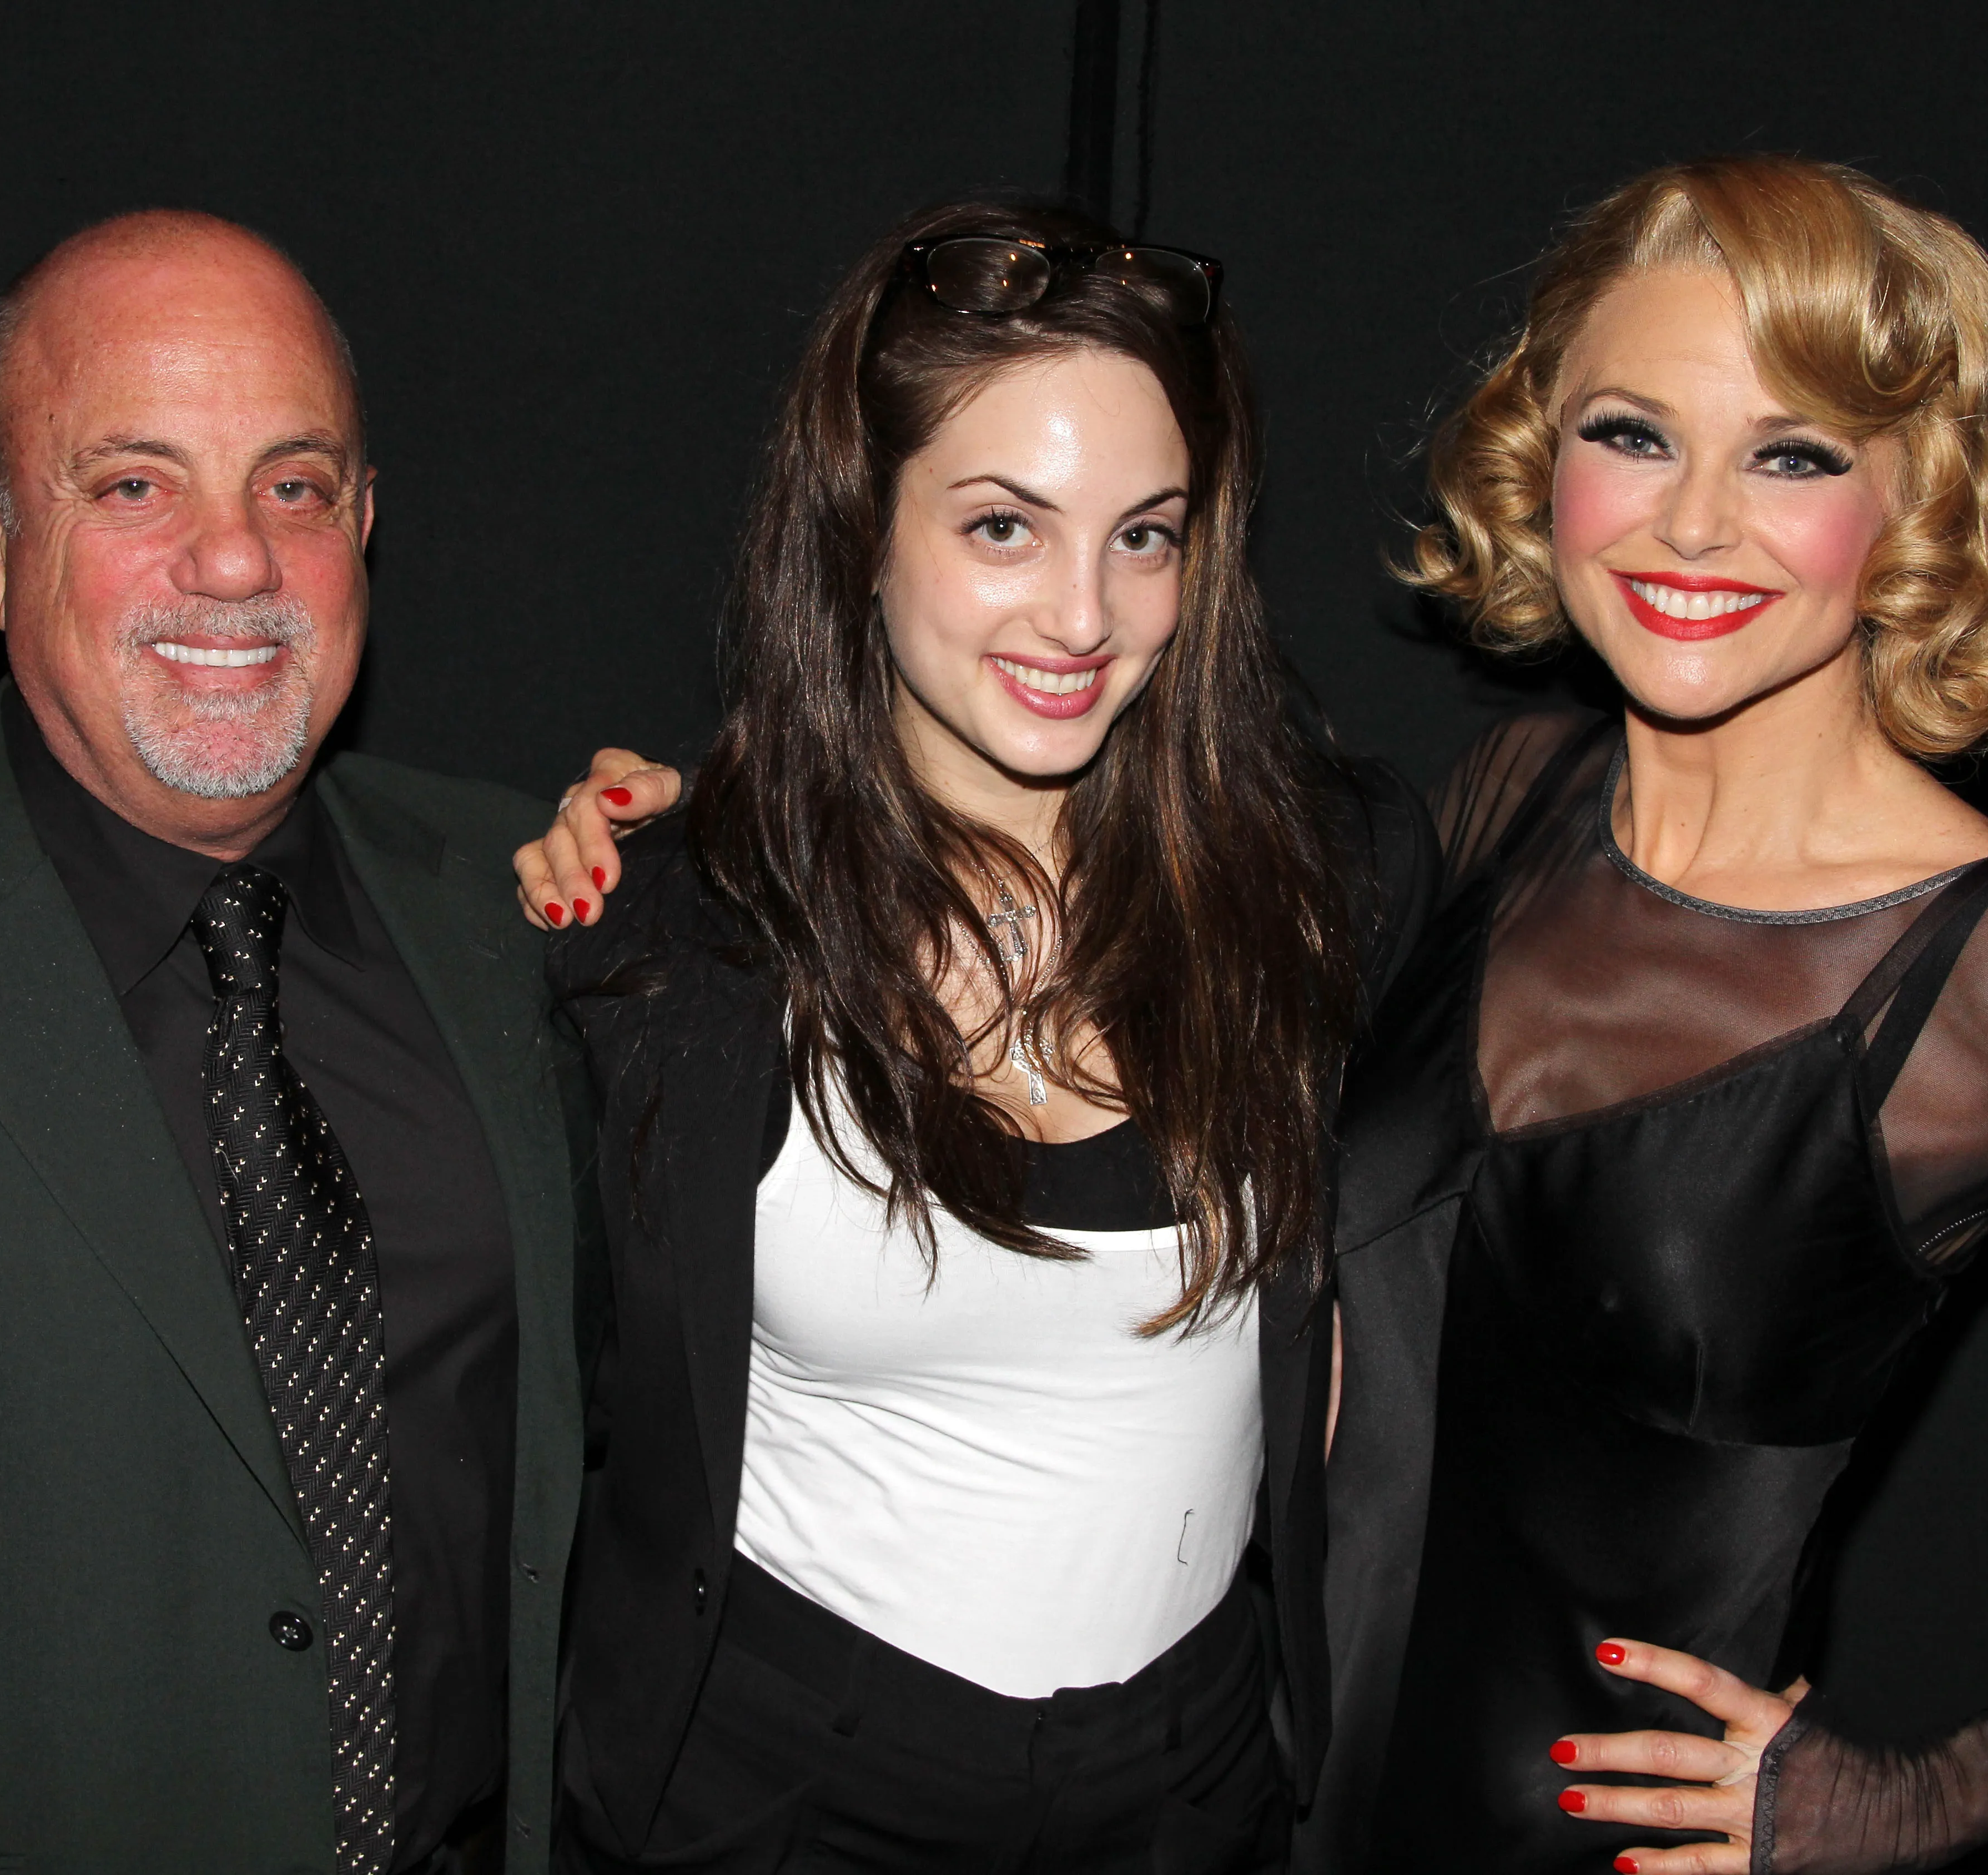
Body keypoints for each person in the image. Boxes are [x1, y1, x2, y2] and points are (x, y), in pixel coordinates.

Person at [1311, 154, 1988, 1874]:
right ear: (1542, 465)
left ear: (1911, 506)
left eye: (1791, 455)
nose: (1695, 523)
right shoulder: (1509, 794)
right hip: (1238, 1804)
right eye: (1632, 434)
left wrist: (1939, 1796)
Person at [0, 211, 586, 1874]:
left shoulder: (526, 912)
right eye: (134, 485)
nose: (236, 562)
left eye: (294, 486)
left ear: (365, 524)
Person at [535, 198, 1431, 1873]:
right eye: (1005, 528)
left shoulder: (1332, 881)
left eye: (1144, 535)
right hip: (779, 1789)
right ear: (860, 525)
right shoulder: (671, 930)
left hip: (1195, 1784)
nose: (1083, 618)